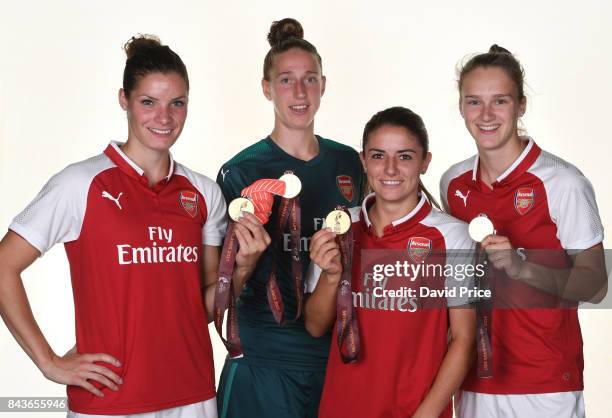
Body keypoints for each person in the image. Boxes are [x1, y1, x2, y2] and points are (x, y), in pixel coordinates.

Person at [0, 35, 266, 418]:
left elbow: (204, 308)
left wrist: (243, 268)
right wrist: (48, 361)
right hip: (110, 401)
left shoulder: (204, 192)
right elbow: (5, 265)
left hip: (192, 395)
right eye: (148, 102)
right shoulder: (80, 183)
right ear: (124, 100)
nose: (164, 118)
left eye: (177, 103)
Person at [440, 44, 608, 418]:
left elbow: (597, 285)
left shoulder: (562, 182)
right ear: (461, 107)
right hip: (473, 380)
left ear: (521, 105)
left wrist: (521, 268)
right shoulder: (452, 183)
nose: (485, 115)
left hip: (545, 382)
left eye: (499, 101)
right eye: (473, 102)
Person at [215, 18, 364, 418]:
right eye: (286, 80)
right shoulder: (240, 171)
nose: (300, 92)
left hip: (333, 361)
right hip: (262, 362)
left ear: (324, 84)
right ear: (266, 88)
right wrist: (245, 258)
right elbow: (221, 286)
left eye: (310, 79)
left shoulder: (350, 162)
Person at [305, 106, 476, 418]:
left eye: (406, 156)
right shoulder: (340, 227)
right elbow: (316, 327)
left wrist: (424, 415)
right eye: (379, 155)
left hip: (415, 411)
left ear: (425, 162)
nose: (391, 169)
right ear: (363, 161)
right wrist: (331, 276)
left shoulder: (453, 237)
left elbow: (464, 341)